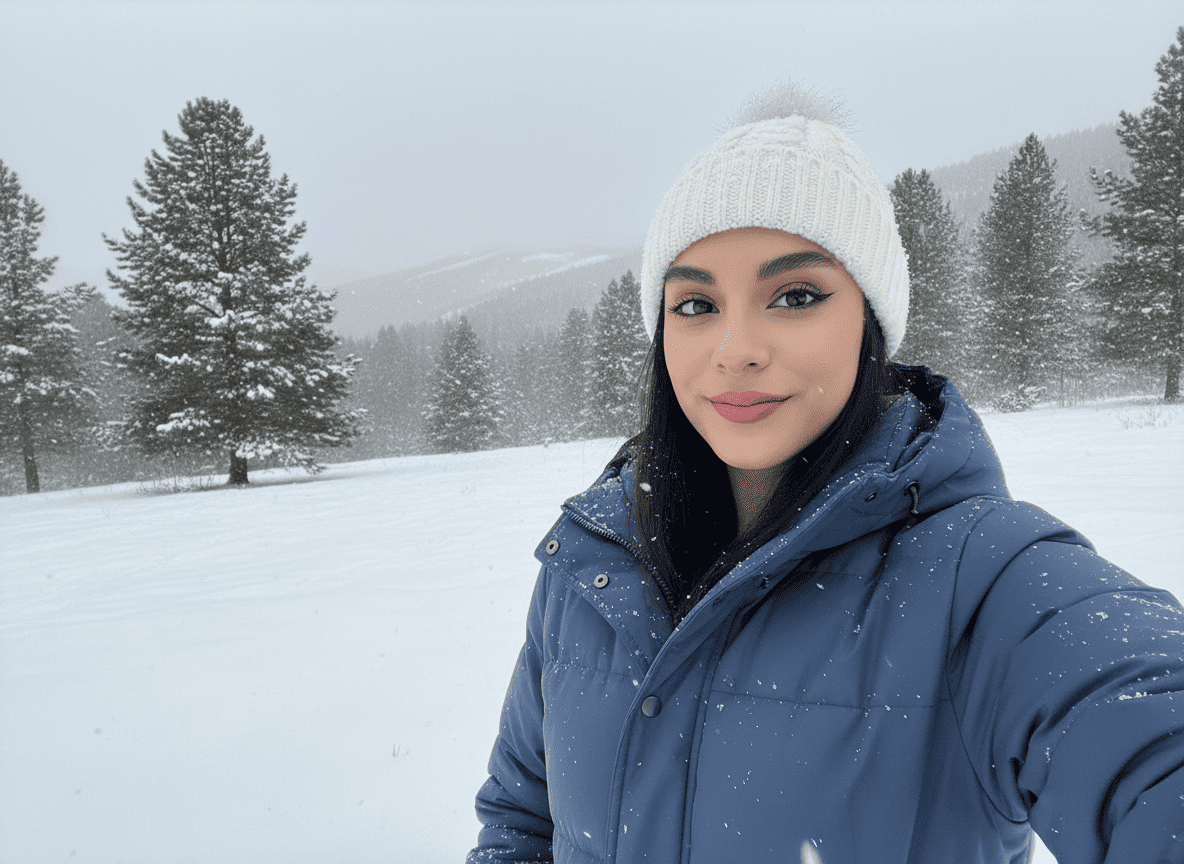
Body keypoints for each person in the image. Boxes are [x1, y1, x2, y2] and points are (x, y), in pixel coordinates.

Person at [466, 83, 1184, 863]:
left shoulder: (983, 580)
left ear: (869, 324)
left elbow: (1146, 733)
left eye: (796, 295)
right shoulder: (592, 569)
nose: (734, 347)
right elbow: (519, 822)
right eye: (695, 305)